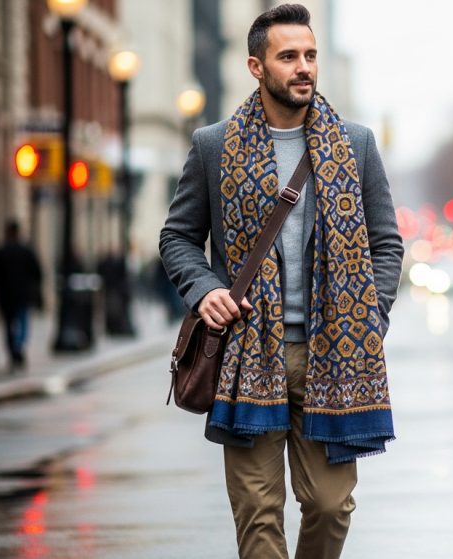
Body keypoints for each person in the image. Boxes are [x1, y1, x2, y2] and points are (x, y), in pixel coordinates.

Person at [159, 5, 404, 558]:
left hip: (334, 355)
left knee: (328, 506)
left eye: (310, 55)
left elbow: (386, 243)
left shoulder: (357, 144)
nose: (303, 68)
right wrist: (205, 291)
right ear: (256, 66)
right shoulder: (213, 146)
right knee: (258, 513)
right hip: (247, 355)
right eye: (288, 56)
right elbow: (177, 238)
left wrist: (372, 316)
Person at [0, 220, 42, 370]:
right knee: (23, 322)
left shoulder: (0, 251)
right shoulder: (26, 251)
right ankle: (19, 346)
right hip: (22, 295)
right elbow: (37, 272)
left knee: (8, 324)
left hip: (5, 296)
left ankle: (13, 349)